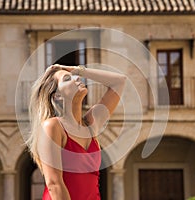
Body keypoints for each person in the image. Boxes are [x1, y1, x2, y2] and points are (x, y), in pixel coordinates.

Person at [27, 64, 126, 200]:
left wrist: (76, 69)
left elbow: (119, 81)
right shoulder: (53, 126)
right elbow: (54, 184)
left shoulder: (91, 125)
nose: (76, 78)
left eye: (74, 76)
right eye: (67, 79)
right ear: (57, 96)